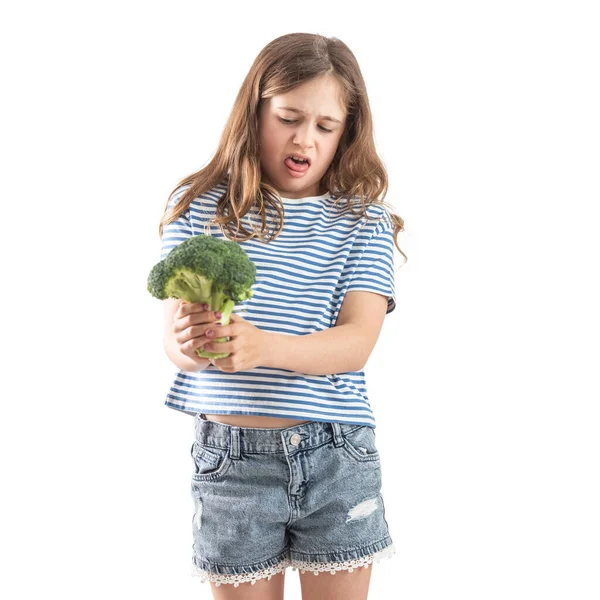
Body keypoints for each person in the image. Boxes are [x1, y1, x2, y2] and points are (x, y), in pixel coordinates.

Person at [156, 33, 407, 599]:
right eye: (289, 117)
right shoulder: (201, 209)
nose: (304, 139)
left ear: (347, 132)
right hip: (231, 461)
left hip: (337, 455)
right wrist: (186, 343)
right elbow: (175, 343)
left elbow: (357, 342)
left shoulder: (364, 224)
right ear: (255, 110)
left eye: (325, 126)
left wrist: (264, 347)